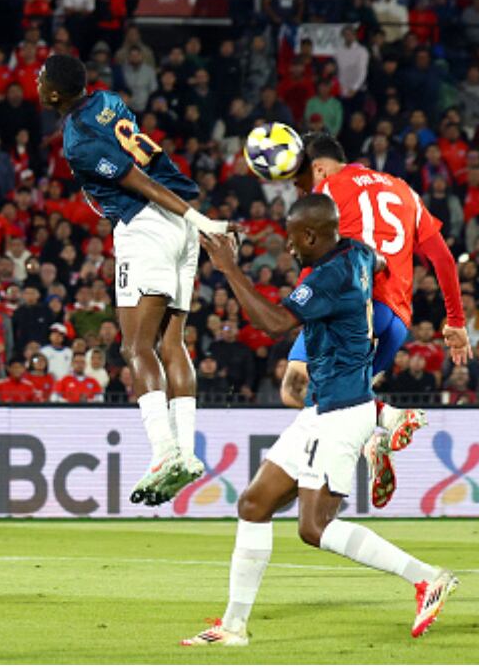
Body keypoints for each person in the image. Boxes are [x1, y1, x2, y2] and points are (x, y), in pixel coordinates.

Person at [185, 194, 456, 646]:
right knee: (254, 504)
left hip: (340, 414)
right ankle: (232, 627)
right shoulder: (359, 252)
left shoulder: (329, 276)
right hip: (322, 407)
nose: (289, 249)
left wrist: (230, 269)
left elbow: (273, 323)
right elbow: (386, 267)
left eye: (293, 240)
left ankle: (428, 578)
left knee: (314, 528)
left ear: (311, 235)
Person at [38, 53, 230, 506]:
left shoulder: (76, 138)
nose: (37, 81)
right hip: (178, 225)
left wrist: (201, 219)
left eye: (41, 77)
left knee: (133, 346)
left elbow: (136, 180)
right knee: (172, 342)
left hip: (148, 224)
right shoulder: (107, 100)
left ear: (53, 93)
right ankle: (185, 451)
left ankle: (164, 452)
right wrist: (190, 220)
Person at [284, 132, 471, 509]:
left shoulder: (329, 190)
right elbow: (444, 259)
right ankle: (372, 436)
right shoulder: (404, 191)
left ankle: (384, 422)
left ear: (318, 167)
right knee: (340, 406)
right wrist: (455, 322)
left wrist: (305, 302)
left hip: (350, 306)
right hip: (397, 318)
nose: (302, 190)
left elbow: (323, 258)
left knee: (294, 387)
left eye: (301, 181)